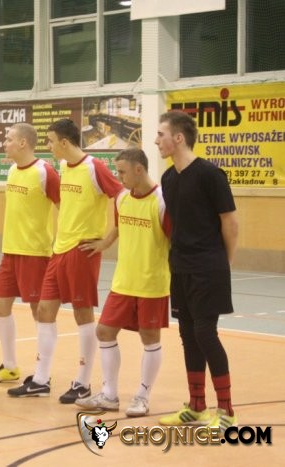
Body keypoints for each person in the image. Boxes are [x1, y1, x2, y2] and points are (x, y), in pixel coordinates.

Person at [7, 118, 122, 400]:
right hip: (59, 249)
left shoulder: (94, 167)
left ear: (65, 142)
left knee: (83, 314)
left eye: (50, 141)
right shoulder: (63, 166)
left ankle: (83, 382)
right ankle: (41, 380)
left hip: (83, 251)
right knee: (45, 311)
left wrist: (107, 240)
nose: (48, 146)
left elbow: (122, 197)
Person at [155, 110, 239, 431]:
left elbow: (229, 221)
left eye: (161, 134)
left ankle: (227, 411)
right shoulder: (168, 178)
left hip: (208, 266)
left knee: (205, 333)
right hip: (181, 267)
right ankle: (196, 406)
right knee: (188, 335)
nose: (156, 141)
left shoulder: (210, 174)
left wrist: (223, 263)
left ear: (178, 138)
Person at [74, 148, 170, 417]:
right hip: (122, 282)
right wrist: (105, 243)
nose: (119, 177)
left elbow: (175, 240)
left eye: (122, 172)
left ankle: (142, 396)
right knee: (104, 331)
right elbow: (118, 226)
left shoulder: (162, 201)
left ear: (139, 170)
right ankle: (109, 395)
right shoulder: (121, 198)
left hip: (152, 284)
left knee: (149, 337)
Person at [0, 123, 60, 386]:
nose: (5, 143)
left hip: (35, 253)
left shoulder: (44, 172)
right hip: (10, 251)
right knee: (0, 306)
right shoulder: (12, 170)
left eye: (9, 139)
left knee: (40, 311)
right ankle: (10, 367)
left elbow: (64, 206)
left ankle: (42, 373)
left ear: (23, 143)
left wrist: (61, 242)